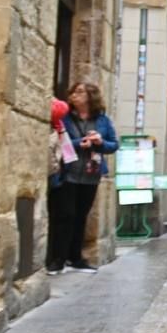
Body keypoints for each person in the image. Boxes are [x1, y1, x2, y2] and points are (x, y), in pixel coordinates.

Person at [50, 82, 119, 273]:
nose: (74, 95)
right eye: (72, 92)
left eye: (79, 92)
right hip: (68, 173)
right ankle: (58, 259)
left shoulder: (102, 120)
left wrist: (100, 141)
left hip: (91, 175)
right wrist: (80, 143)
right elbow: (58, 141)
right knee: (65, 216)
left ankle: (76, 257)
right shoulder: (65, 117)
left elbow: (114, 144)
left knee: (81, 217)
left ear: (91, 96)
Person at [46, 99, 73, 275]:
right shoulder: (60, 127)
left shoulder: (59, 127)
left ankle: (56, 257)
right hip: (56, 177)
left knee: (57, 216)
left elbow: (69, 155)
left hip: (57, 178)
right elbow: (69, 154)